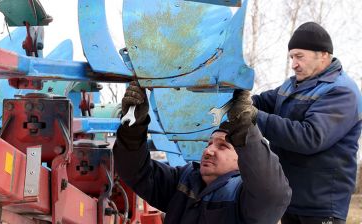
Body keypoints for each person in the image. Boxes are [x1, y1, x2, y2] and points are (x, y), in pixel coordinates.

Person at [113, 81, 292, 224]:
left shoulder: (243, 196)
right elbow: (134, 171)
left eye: (223, 146)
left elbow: (272, 194)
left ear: (243, 159)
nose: (209, 150)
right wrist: (133, 127)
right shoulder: (184, 180)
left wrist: (246, 129)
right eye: (209, 143)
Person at [250, 22, 362, 223]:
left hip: (320, 205)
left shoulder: (341, 91)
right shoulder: (293, 85)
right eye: (291, 57)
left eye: (299, 56)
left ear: (324, 55)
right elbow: (262, 102)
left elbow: (310, 137)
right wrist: (237, 100)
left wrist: (251, 115)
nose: (293, 63)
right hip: (290, 197)